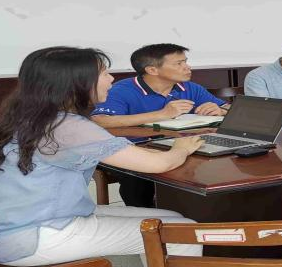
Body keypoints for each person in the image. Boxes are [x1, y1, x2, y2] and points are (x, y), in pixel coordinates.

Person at [0, 47, 204, 267]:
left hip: (8, 226)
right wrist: (181, 147)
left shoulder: (26, 116)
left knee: (171, 218)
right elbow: (157, 164)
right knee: (182, 232)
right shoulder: (67, 126)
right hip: (33, 235)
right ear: (76, 83)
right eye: (103, 73)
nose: (111, 79)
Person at [91, 43, 227, 208]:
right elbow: (100, 121)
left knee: (209, 165)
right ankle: (145, 216)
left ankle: (193, 211)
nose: (187, 67)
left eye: (185, 61)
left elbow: (228, 107)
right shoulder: (122, 90)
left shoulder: (189, 87)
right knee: (138, 176)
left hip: (178, 144)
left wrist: (220, 109)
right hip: (129, 149)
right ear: (152, 70)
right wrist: (162, 114)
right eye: (179, 63)